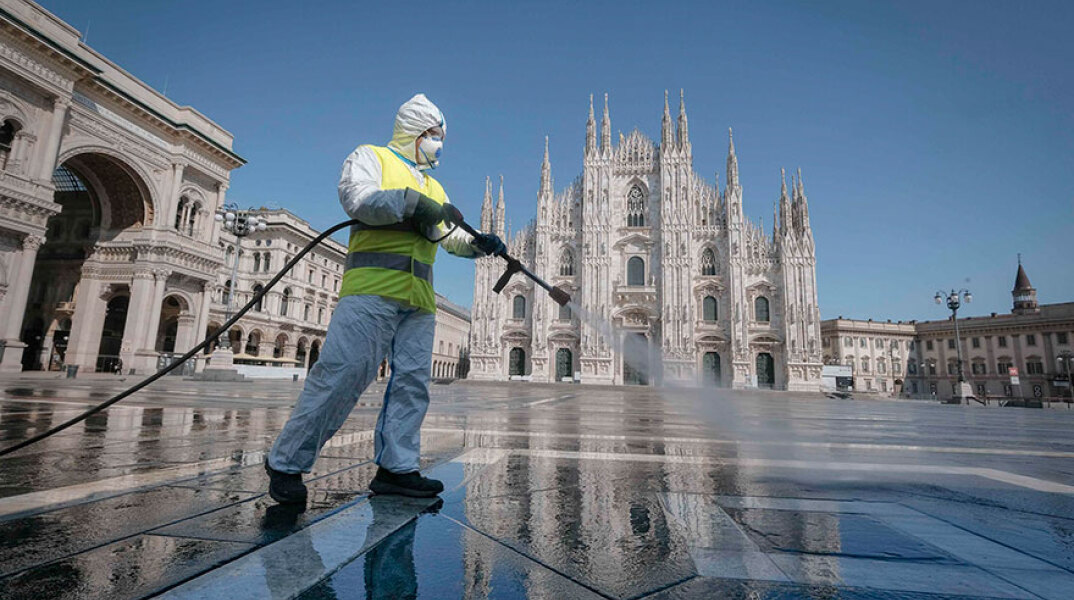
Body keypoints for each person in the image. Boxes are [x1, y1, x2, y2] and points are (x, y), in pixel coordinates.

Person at [264, 94, 505, 503]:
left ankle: (397, 467)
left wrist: (478, 244)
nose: (438, 144)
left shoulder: (433, 184)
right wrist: (411, 203)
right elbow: (357, 199)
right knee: (343, 375)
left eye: (441, 137)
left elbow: (448, 236)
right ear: (414, 132)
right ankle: (287, 461)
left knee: (412, 384)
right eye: (433, 135)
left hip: (419, 300)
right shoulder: (372, 158)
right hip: (371, 291)